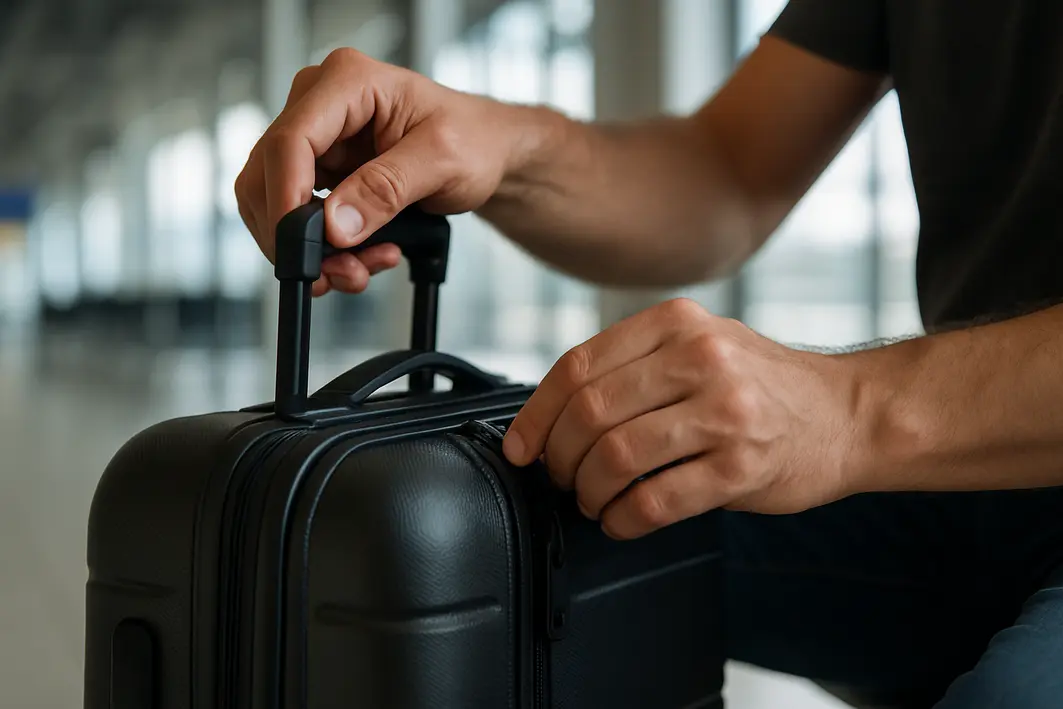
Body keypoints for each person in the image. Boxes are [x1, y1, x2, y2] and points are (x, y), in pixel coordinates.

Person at [234, 1, 1063, 706]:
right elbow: (727, 172)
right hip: (950, 476)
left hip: (944, 438)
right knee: (465, 544)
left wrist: (846, 409)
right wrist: (502, 144)